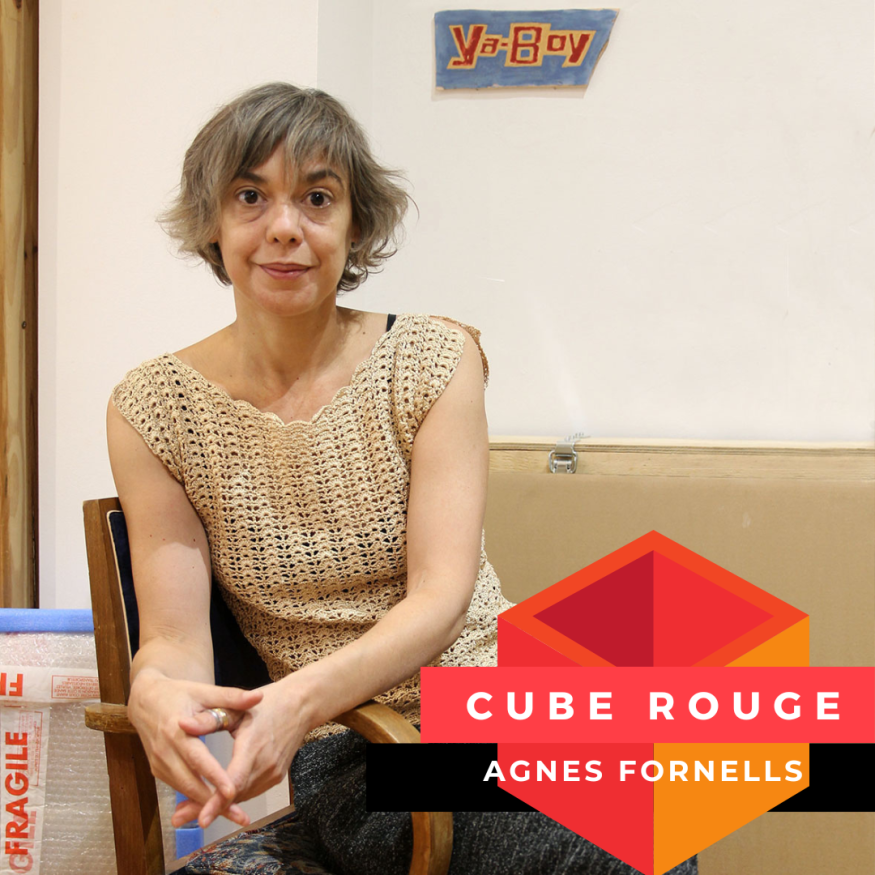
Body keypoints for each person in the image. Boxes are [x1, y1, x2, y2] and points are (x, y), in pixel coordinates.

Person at [107, 82, 696, 875]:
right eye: (250, 196)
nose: (284, 227)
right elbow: (176, 640)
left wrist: (294, 700)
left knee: (660, 817)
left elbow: (440, 598)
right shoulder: (153, 408)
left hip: (511, 701)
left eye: (317, 198)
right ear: (212, 218)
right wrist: (152, 687)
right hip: (364, 748)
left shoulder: (433, 359)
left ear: (356, 223)